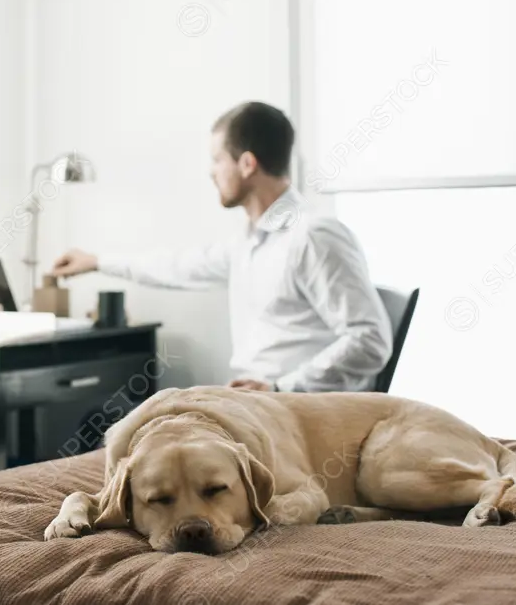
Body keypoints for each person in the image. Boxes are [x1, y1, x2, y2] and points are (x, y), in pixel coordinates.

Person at [51, 101, 392, 392]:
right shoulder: (251, 241)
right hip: (256, 406)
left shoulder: (313, 237)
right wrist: (97, 261)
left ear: (246, 164)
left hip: (293, 415)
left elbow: (370, 340)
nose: (211, 172)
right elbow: (177, 266)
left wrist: (280, 389)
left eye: (217, 160)